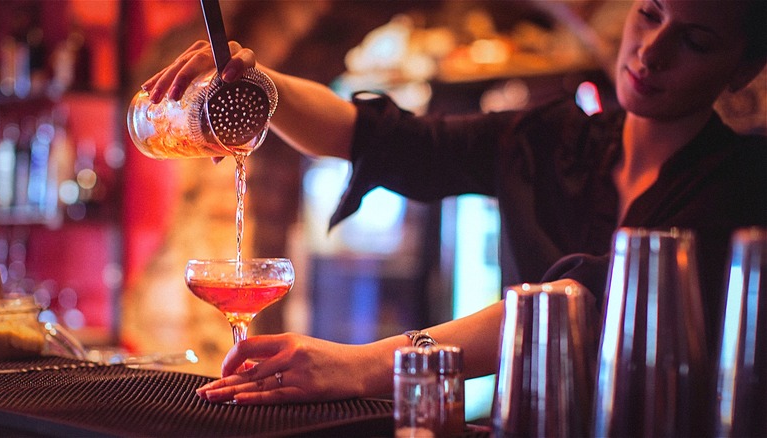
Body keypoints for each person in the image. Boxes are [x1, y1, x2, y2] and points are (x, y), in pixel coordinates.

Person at [141, 0, 767, 405]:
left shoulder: (743, 185)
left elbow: (584, 303)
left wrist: (362, 367)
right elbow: (377, 138)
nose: (652, 51)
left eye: (697, 42)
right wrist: (260, 83)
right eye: (650, 14)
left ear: (742, 71)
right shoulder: (553, 138)